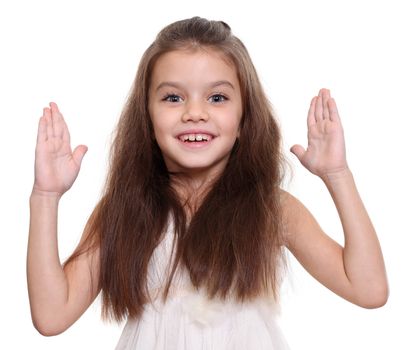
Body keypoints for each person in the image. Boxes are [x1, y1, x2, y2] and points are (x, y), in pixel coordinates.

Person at [27, 17, 388, 349]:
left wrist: (337, 175)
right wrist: (46, 196)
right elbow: (52, 316)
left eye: (217, 97)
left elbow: (368, 290)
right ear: (146, 116)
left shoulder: (270, 208)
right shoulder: (123, 210)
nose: (194, 112)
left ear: (244, 117)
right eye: (173, 97)